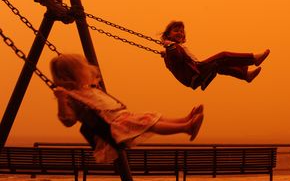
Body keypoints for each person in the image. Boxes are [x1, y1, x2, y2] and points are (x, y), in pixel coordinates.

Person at [50, 54, 204, 163]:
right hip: (111, 129)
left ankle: (184, 120)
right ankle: (186, 127)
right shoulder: (70, 96)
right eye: (84, 69)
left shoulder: (86, 89)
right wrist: (61, 99)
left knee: (151, 116)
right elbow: (67, 121)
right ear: (74, 74)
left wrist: (94, 87)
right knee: (149, 122)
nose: (89, 71)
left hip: (120, 119)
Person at [161, 21, 270, 90]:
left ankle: (245, 75)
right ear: (168, 35)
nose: (180, 33)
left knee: (220, 65)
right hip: (195, 73)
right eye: (176, 31)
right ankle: (253, 59)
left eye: (181, 31)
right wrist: (169, 47)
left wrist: (169, 49)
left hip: (196, 72)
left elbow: (177, 58)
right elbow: (176, 58)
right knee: (224, 56)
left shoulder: (175, 48)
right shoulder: (172, 48)